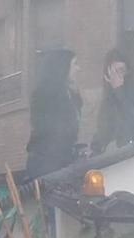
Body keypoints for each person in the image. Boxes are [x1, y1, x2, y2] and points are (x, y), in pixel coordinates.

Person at [27, 48, 83, 179]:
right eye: (75, 64)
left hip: (63, 163)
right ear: (62, 67)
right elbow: (49, 132)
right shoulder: (43, 96)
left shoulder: (70, 95)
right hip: (47, 166)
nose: (78, 69)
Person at [91, 49, 134, 154]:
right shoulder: (109, 95)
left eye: (120, 71)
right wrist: (95, 147)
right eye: (113, 71)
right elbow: (105, 126)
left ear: (128, 71)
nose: (117, 76)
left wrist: (119, 91)